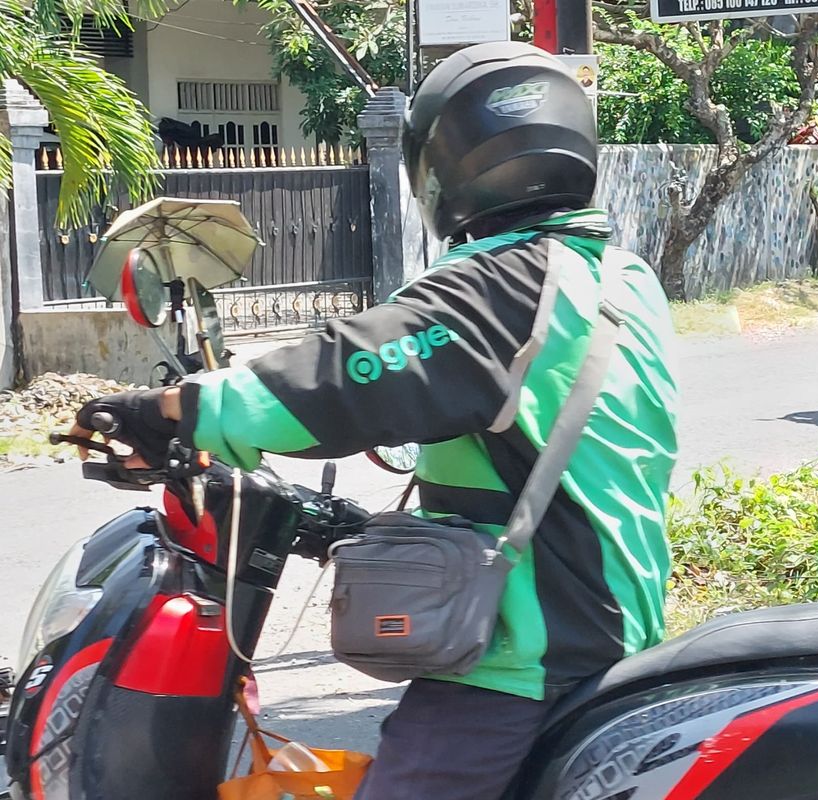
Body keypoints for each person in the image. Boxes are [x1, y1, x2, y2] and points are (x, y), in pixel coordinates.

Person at [70, 42, 679, 800]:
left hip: (531, 657)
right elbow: (523, 430)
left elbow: (342, 374)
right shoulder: (618, 276)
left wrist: (171, 410)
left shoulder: (502, 285)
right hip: (606, 609)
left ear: (440, 164)